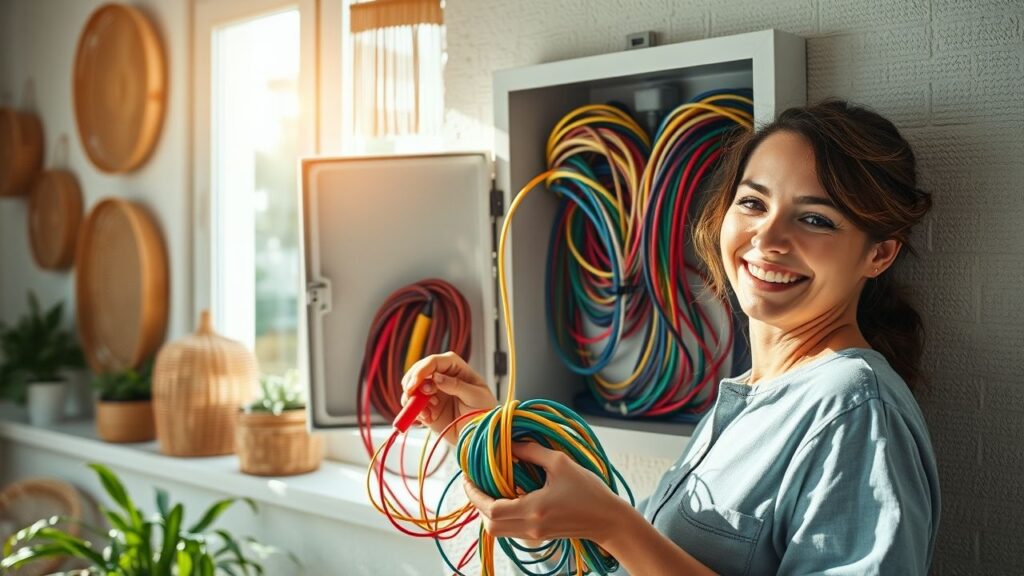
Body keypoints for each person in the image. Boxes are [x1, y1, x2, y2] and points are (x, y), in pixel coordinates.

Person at [401, 99, 941, 575]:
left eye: (816, 220)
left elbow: (627, 545)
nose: (768, 238)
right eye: (752, 203)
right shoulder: (752, 395)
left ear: (879, 254)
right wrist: (483, 438)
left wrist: (615, 526)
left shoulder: (855, 408)